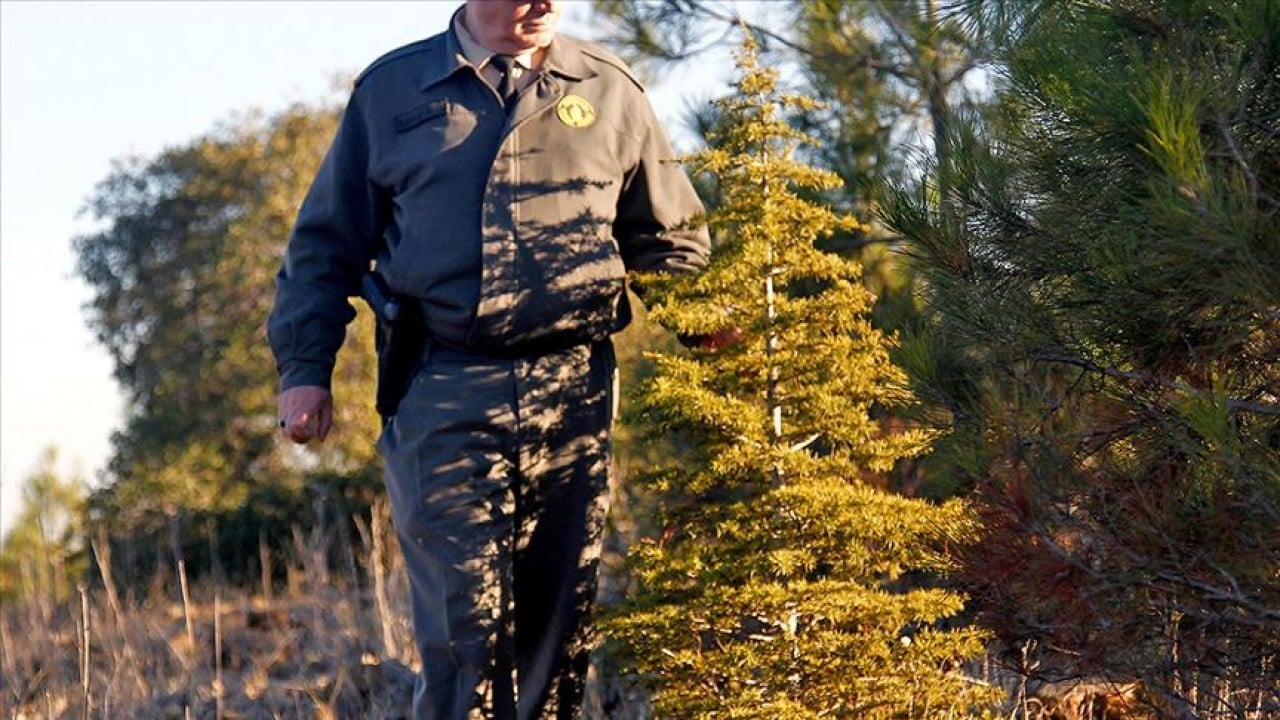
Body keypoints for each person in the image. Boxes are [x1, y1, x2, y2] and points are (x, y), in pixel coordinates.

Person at [267, 1, 710, 717]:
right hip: (442, 383)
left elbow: (669, 240)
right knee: (465, 625)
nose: (543, 5)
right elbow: (324, 247)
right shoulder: (393, 91)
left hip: (574, 391)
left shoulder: (609, 88)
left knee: (555, 630)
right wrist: (304, 370)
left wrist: (717, 332)